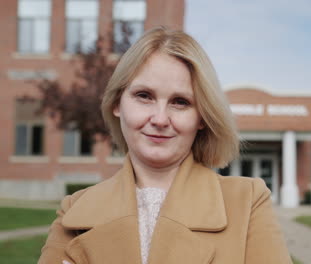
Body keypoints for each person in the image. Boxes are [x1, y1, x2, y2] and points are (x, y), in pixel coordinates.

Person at [38, 27, 292, 264]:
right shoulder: (75, 209)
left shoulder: (248, 201)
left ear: (202, 117)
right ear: (117, 103)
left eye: (180, 102)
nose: (160, 119)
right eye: (144, 96)